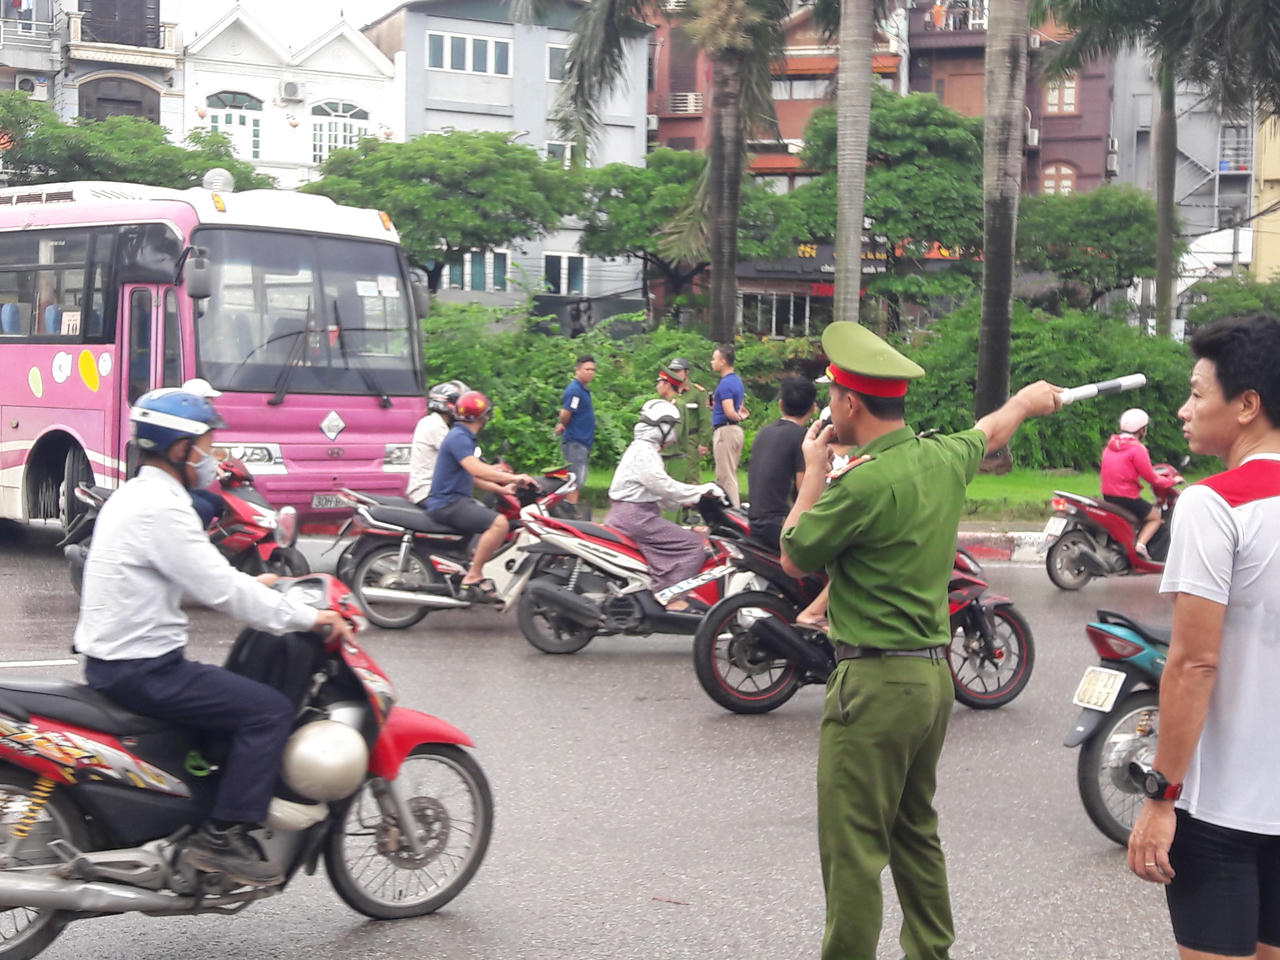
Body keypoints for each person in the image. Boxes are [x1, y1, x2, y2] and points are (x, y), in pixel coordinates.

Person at [778, 321, 1062, 960]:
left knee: (854, 848)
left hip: (874, 684)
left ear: (851, 403)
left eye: (833, 398)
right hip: (932, 679)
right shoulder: (941, 456)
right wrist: (1024, 401)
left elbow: (794, 554)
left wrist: (814, 472)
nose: (828, 409)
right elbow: (991, 429)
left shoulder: (861, 484)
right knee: (914, 832)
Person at [73, 388, 355, 888]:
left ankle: (198, 802)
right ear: (180, 449)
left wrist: (255, 584)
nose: (213, 456)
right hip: (143, 669)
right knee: (267, 711)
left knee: (227, 694)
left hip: (116, 660)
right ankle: (223, 837)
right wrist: (310, 618)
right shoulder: (163, 507)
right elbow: (223, 591)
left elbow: (194, 572)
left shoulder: (135, 495)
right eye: (206, 445)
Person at [1126, 314, 1280, 960]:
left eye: (1196, 393)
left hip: (1221, 810)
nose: (1184, 411)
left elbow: (1193, 663)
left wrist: (1161, 796)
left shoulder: (1214, 503)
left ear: (1247, 405)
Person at [603, 399, 724, 611]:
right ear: (662, 427)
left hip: (634, 515)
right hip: (636, 518)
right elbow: (663, 486)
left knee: (690, 534)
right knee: (693, 545)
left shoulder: (644, 450)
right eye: (672, 427)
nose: (675, 434)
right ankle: (671, 597)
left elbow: (661, 493)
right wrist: (701, 491)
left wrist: (686, 499)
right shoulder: (644, 452)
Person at [426, 390, 536, 602]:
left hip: (454, 501)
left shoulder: (461, 436)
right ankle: (474, 574)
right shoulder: (459, 438)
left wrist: (502, 489)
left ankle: (470, 568)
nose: (487, 417)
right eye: (486, 413)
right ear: (480, 416)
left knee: (487, 516)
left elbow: (471, 477)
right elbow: (475, 469)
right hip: (448, 504)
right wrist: (515, 478)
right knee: (499, 523)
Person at [747, 376, 816, 551]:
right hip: (781, 526)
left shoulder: (763, 433)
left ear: (780, 404)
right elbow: (805, 489)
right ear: (813, 408)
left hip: (754, 523)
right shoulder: (803, 438)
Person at [1100, 407, 1175, 559]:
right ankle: (1140, 545)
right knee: (1155, 518)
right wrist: (1171, 481)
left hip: (1108, 495)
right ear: (1141, 430)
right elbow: (1152, 478)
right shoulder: (1137, 449)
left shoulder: (1110, 446)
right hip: (1127, 497)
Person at [406, 379, 469, 506]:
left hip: (428, 491)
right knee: (474, 515)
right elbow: (464, 460)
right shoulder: (436, 426)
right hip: (429, 492)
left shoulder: (430, 421)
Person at [554, 355, 596, 508]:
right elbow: (565, 413)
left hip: (583, 441)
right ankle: (570, 510)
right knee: (575, 478)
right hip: (576, 441)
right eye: (587, 369)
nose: (590, 373)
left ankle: (569, 508)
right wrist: (564, 424)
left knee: (577, 477)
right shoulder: (575, 391)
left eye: (593, 370)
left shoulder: (582, 389)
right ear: (577, 370)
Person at [661, 357, 711, 484]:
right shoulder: (668, 391)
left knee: (690, 475)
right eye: (672, 371)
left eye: (678, 371)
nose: (674, 374)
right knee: (670, 475)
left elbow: (705, 418)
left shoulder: (697, 392)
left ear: (686, 372)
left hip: (690, 438)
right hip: (671, 439)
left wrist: (704, 442)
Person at [711, 343, 749, 507]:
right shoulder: (736, 381)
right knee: (729, 473)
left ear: (723, 361)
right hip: (734, 431)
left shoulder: (725, 384)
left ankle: (733, 511)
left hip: (725, 431)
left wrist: (738, 417)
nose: (712, 362)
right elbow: (738, 405)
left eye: (714, 359)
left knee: (725, 477)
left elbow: (729, 411)